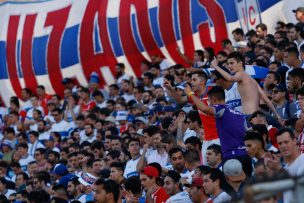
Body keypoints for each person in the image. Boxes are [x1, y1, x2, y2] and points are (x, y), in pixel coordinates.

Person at [211, 51, 280, 119]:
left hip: (248, 117)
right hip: (255, 117)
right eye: (228, 64)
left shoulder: (240, 74)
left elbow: (229, 78)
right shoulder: (251, 79)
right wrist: (277, 115)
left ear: (240, 63)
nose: (229, 66)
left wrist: (215, 66)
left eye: (232, 63)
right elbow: (266, 99)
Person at [265, 128, 304, 203]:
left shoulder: (303, 160)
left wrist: (278, 168)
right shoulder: (286, 168)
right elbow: (279, 195)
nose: (283, 146)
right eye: (280, 143)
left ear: (295, 141)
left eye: (286, 142)